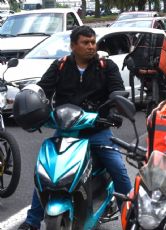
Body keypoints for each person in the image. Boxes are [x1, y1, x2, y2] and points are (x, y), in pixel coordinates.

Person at [17, 26, 132, 230]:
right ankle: (33, 221)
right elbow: (44, 90)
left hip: (97, 130)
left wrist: (114, 111)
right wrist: (33, 106)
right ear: (73, 46)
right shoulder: (60, 66)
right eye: (85, 43)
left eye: (92, 42)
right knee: (46, 171)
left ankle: (132, 218)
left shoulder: (106, 66)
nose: (90, 47)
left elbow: (117, 91)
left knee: (118, 170)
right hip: (66, 129)